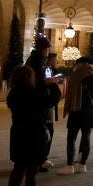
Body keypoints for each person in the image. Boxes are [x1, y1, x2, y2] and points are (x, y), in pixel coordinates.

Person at [3, 65, 61, 186]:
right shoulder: (33, 93)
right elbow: (53, 99)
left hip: (18, 134)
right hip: (34, 135)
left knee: (17, 171)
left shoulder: (13, 93)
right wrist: (53, 84)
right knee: (31, 173)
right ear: (30, 78)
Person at [58, 59, 93, 174]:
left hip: (76, 111)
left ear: (81, 64)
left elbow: (70, 94)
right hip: (89, 111)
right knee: (86, 137)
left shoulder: (77, 76)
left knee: (71, 138)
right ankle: (82, 165)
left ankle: (70, 165)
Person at [26, 36, 56, 172]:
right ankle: (40, 160)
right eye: (47, 48)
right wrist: (47, 82)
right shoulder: (36, 62)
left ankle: (40, 159)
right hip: (39, 101)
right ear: (43, 49)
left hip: (42, 100)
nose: (48, 51)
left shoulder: (40, 61)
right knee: (45, 131)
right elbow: (35, 82)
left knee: (45, 130)